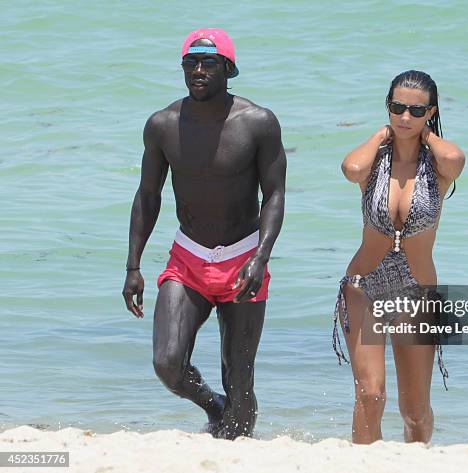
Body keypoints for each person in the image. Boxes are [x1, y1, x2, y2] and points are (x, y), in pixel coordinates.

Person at [121, 28, 286, 440]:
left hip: (243, 259)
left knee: (240, 381)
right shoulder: (162, 125)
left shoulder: (258, 123)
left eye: (208, 63)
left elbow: (275, 195)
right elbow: (147, 195)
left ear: (229, 69)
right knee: (168, 363)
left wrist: (260, 257)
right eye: (190, 62)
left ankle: (233, 445)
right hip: (188, 259)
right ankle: (213, 407)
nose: (198, 70)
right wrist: (133, 266)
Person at [332, 70, 465, 444]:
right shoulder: (374, 161)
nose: (404, 117)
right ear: (387, 108)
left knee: (415, 412)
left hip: (416, 292)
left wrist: (427, 134)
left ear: (430, 112)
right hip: (365, 285)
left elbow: (455, 158)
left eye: (415, 110)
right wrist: (380, 135)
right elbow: (351, 169)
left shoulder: (437, 167)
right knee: (370, 395)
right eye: (396, 107)